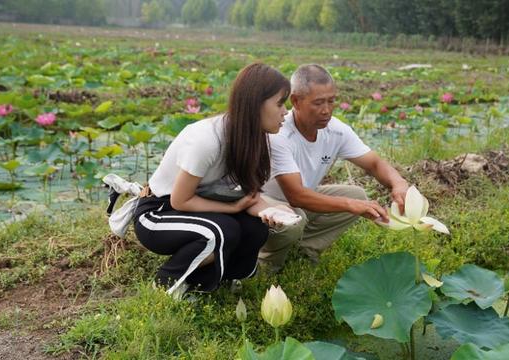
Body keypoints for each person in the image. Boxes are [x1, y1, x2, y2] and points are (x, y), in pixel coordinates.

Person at [133, 63, 292, 298]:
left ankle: (213, 285)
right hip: (158, 214)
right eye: (280, 103)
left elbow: (250, 198)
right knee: (221, 230)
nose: (286, 111)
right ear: (255, 103)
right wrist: (232, 208)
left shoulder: (252, 139)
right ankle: (165, 285)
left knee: (255, 228)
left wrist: (273, 212)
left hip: (198, 211)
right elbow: (181, 200)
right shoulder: (206, 139)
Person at [258, 64, 410, 272]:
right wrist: (350, 205)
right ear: (295, 101)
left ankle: (304, 251)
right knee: (295, 218)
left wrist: (398, 183)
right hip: (265, 203)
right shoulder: (280, 133)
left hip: (301, 199)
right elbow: (296, 196)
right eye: (318, 103)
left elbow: (374, 164)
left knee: (357, 195)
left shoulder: (336, 130)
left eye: (331, 101)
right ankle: (265, 265)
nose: (326, 110)